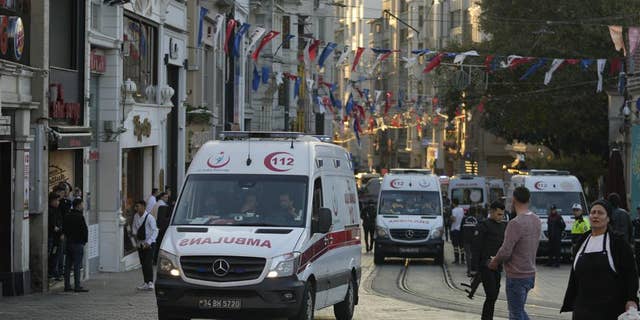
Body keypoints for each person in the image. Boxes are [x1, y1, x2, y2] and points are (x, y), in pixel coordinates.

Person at [561, 199, 639, 319]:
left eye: (600, 213)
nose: (595, 216)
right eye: (593, 212)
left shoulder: (618, 243)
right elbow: (575, 276)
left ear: (608, 218)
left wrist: (631, 299)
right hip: (582, 309)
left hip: (610, 310)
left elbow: (631, 273)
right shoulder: (582, 242)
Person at [488, 186, 541, 320]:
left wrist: (495, 261)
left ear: (514, 200)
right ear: (529, 200)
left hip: (517, 275)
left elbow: (506, 251)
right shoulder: (536, 220)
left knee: (515, 314)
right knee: (519, 311)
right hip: (530, 274)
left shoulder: (515, 223)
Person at [471, 200, 507, 320]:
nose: (501, 217)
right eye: (498, 214)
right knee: (491, 294)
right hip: (485, 265)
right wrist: (474, 268)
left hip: (497, 265)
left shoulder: (504, 226)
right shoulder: (483, 225)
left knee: (494, 295)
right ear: (491, 212)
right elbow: (476, 247)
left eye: (502, 214)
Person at [62, 198, 89, 292]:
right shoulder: (80, 216)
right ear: (78, 205)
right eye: (82, 204)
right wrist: (84, 241)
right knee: (77, 265)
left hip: (69, 243)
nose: (83, 206)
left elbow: (64, 229)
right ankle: (77, 286)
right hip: (78, 243)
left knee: (68, 265)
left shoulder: (67, 215)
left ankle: (67, 285)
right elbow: (84, 230)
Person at [132, 200, 158, 291]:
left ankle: (150, 282)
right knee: (143, 264)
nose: (136, 208)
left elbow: (155, 231)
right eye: (136, 206)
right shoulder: (136, 216)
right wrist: (136, 242)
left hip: (150, 244)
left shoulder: (150, 217)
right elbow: (134, 228)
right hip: (141, 244)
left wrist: (149, 242)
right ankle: (146, 282)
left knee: (148, 263)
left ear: (143, 207)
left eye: (137, 206)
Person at [48, 193, 63, 280]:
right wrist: (54, 228)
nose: (58, 202)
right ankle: (52, 272)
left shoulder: (57, 210)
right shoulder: (50, 210)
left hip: (57, 237)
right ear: (52, 201)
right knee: (52, 255)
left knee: (56, 255)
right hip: (52, 237)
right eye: (57, 200)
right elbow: (51, 224)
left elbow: (60, 221)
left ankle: (55, 272)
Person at [461, 208, 479, 276]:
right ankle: (474, 270)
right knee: (475, 255)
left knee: (468, 255)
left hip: (466, 240)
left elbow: (461, 230)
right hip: (475, 240)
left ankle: (469, 271)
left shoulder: (464, 219)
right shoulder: (477, 219)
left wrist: (461, 240)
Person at [451, 199, 465, 264]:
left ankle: (456, 259)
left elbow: (454, 219)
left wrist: (450, 218)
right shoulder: (462, 209)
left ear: (454, 203)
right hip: (461, 230)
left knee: (455, 245)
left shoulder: (453, 210)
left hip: (455, 229)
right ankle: (462, 259)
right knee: (461, 245)